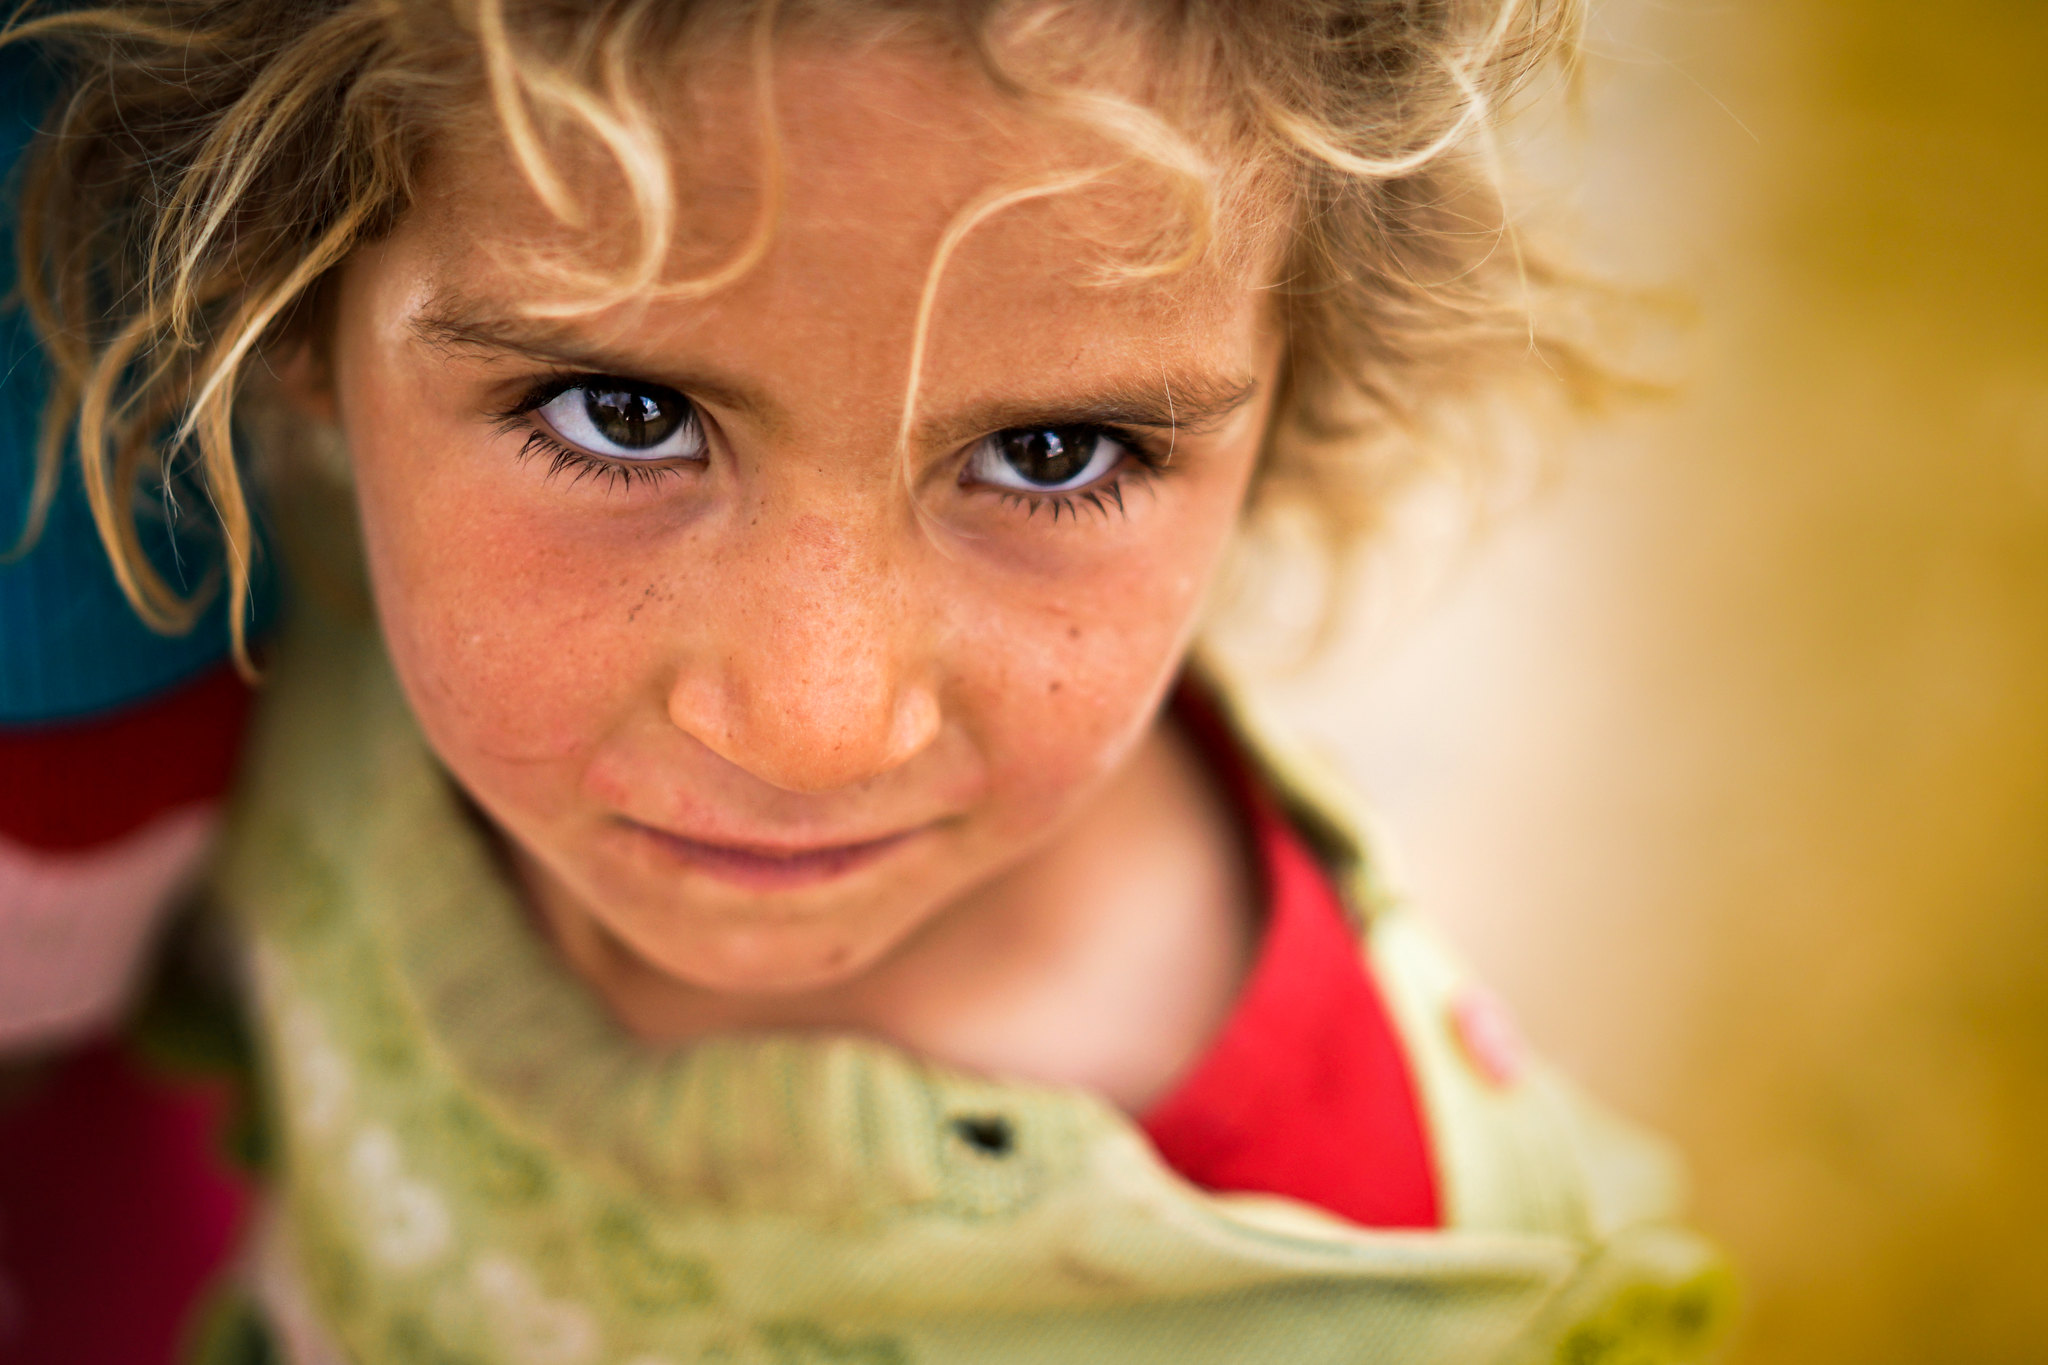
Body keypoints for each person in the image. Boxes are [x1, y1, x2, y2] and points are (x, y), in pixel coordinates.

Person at [0, 1, 1731, 1361]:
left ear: (1289, 395)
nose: (816, 726)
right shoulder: (309, 626)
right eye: (625, 416)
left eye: (1055, 451)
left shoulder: (1322, 1263)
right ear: (296, 324)